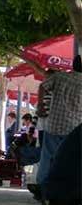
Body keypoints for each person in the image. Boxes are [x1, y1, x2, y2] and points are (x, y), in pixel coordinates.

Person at [36, 55, 82, 186]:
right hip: (75, 129)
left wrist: (40, 106)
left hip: (54, 125)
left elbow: (43, 86)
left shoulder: (60, 77)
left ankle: (42, 187)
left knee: (48, 157)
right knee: (71, 160)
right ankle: (66, 188)